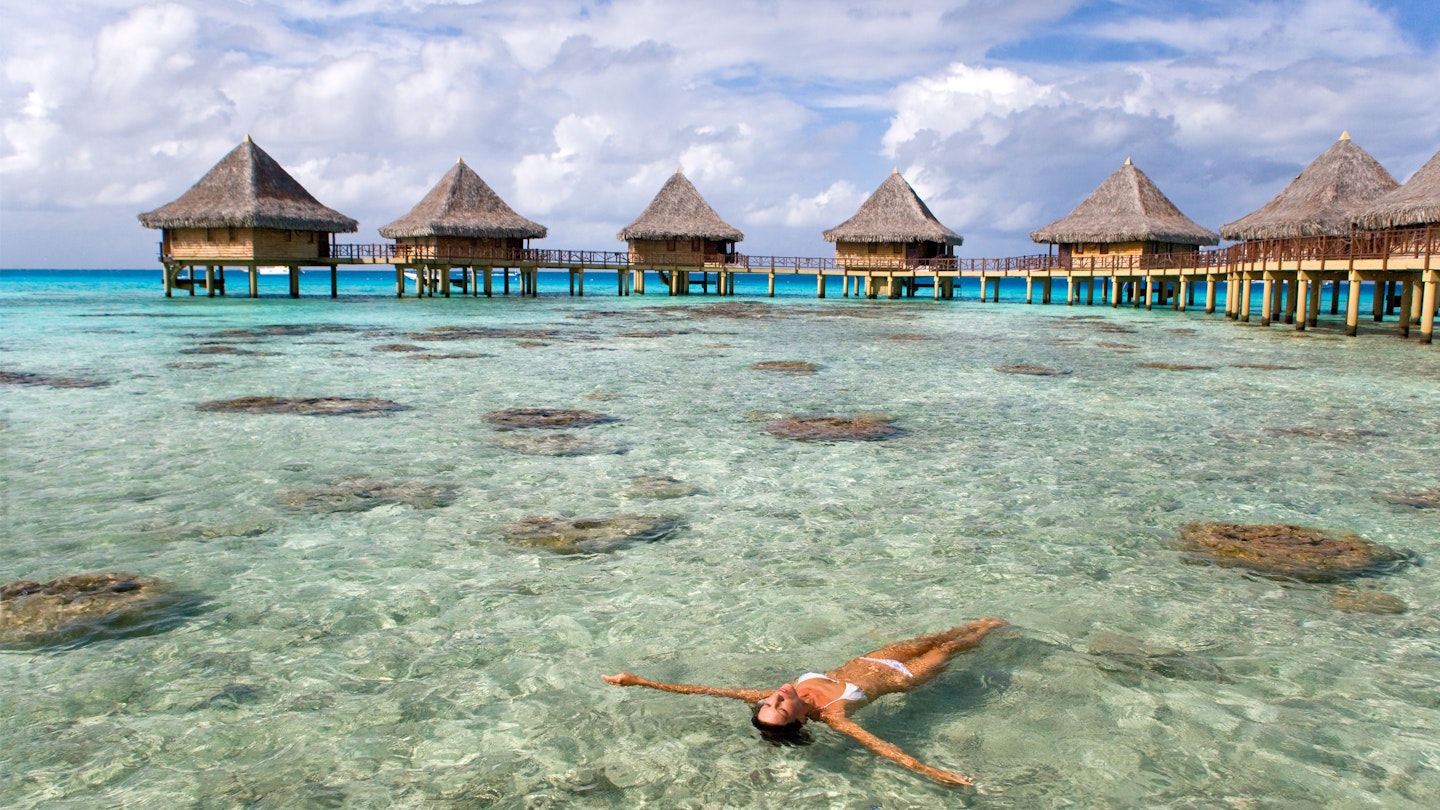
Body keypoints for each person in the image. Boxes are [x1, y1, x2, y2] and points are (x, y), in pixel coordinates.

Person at [602, 617, 1006, 787]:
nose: (776, 696)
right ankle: (1001, 626)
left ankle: (987, 618)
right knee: (958, 645)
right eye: (780, 706)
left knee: (942, 633)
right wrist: (930, 771)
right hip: (904, 678)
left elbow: (703, 689)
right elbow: (882, 748)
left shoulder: (769, 696)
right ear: (800, 719)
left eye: (770, 702)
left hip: (870, 658)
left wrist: (638, 681)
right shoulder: (834, 715)